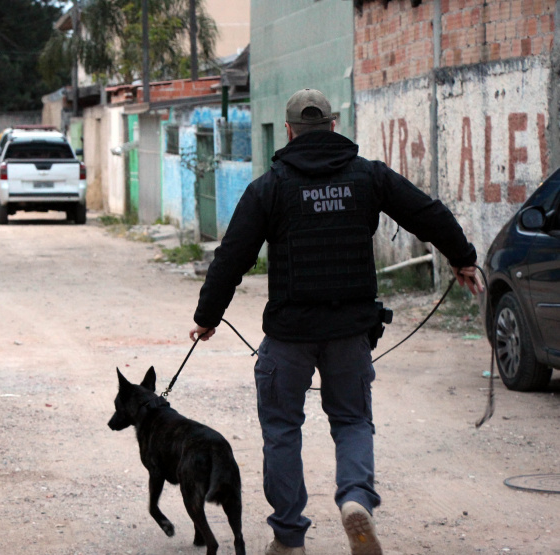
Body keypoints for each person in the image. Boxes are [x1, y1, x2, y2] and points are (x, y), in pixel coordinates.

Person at [189, 89, 482, 555]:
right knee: (351, 420)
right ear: (332, 125)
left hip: (289, 334)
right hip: (350, 329)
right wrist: (462, 258)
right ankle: (354, 499)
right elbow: (425, 212)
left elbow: (232, 256)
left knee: (282, 429)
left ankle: (288, 539)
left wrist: (208, 317)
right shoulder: (368, 177)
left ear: (288, 131)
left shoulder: (271, 186)